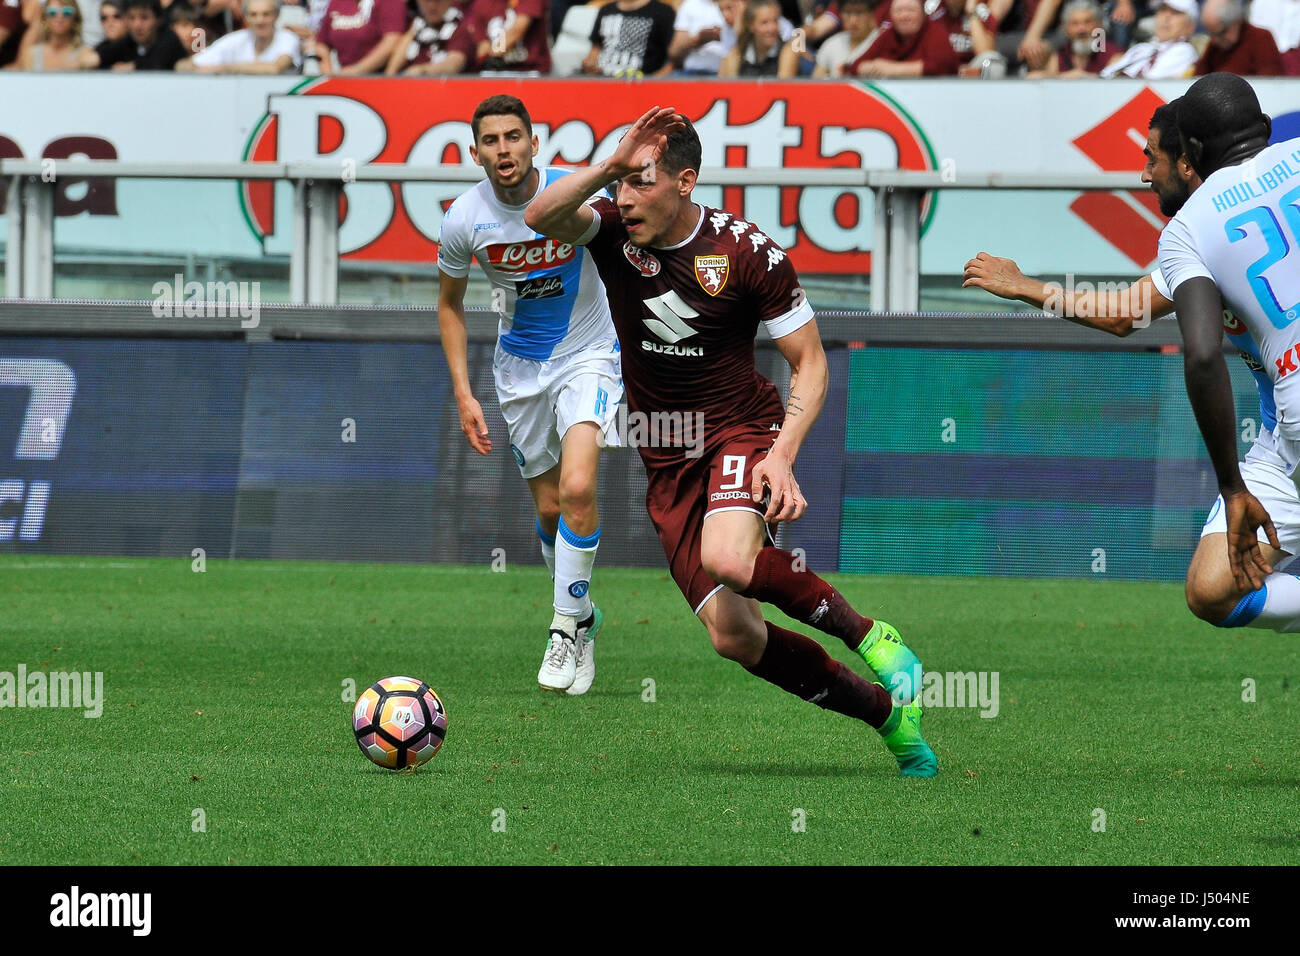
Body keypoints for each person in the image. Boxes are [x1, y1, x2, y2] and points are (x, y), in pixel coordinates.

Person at [525, 107, 936, 776]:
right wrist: (608, 165)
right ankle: (888, 719)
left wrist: (781, 454)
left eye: (642, 182)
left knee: (729, 559)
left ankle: (871, 635)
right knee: (735, 637)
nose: (625, 198)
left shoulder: (747, 253)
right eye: (621, 182)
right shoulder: (607, 229)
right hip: (667, 456)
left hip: (741, 429)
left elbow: (810, 361)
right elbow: (540, 217)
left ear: (685, 182)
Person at [436, 95, 621, 696]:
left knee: (578, 488)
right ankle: (584, 614)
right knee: (548, 510)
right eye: (491, 141)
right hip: (519, 369)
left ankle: (563, 625)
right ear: (476, 153)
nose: (504, 149)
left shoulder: (578, 192)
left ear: (535, 142)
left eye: (514, 137)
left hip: (589, 352)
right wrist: (464, 393)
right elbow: (449, 307)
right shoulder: (465, 220)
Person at [1158, 74, 1300, 634]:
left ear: (1190, 154)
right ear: (1264, 129)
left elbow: (1200, 355)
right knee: (1213, 587)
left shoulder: (1187, 231)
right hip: (1286, 440)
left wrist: (1230, 486)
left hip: (1292, 417)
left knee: (1220, 593)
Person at [177, 0, 299, 70]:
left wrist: (223, 69)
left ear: (276, 16)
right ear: (245, 17)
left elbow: (275, 68)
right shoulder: (237, 38)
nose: (259, 20)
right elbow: (184, 65)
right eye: (253, 15)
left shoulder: (287, 38)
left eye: (266, 14)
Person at [851, 0, 962, 75]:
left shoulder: (935, 31)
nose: (904, 16)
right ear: (891, 16)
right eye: (899, 11)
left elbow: (943, 65)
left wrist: (893, 69)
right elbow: (856, 66)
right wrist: (868, 68)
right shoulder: (889, 34)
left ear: (922, 15)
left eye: (911, 10)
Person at [442, 0, 551, 74]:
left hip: (531, 71)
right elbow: (482, 46)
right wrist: (488, 55)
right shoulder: (482, 3)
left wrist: (494, 53)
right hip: (496, 72)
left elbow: (517, 31)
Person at [1099, 0, 1198, 77]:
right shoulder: (1141, 48)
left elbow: (1151, 84)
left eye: (1175, 13)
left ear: (1190, 26)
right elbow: (1104, 77)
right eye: (1162, 10)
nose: (1166, 17)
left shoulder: (1183, 50)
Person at [308, 0, 406, 74]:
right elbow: (322, 42)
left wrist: (357, 70)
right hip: (343, 78)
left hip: (379, 76)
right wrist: (328, 74)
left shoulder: (389, 2)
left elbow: (393, 41)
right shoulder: (337, 2)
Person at [1027, 0, 1122, 75]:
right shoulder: (1059, 55)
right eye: (1075, 24)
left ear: (1099, 25)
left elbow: (1114, 81)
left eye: (1087, 22)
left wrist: (1084, 77)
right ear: (1066, 28)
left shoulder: (1112, 54)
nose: (1081, 29)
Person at [583, 0, 675, 76]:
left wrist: (655, 81)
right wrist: (590, 66)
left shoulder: (663, 12)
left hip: (640, 82)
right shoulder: (606, 10)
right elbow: (596, 47)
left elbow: (674, 59)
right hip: (601, 79)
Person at [86, 0, 186, 68]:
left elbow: (158, 64)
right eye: (132, 18)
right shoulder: (128, 42)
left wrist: (133, 67)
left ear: (158, 19)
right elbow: (95, 58)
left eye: (144, 18)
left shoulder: (169, 40)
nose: (137, 25)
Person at [1196, 0, 1284, 75]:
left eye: (1220, 33)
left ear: (1235, 23)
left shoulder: (1261, 39)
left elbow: (1271, 83)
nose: (1215, 40)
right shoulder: (1214, 47)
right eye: (1211, 34)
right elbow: (1198, 78)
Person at [384, 0, 460, 74]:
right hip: (409, 81)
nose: (432, 6)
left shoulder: (458, 25)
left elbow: (453, 65)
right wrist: (389, 78)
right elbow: (393, 67)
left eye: (437, 1)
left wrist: (422, 70)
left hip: (437, 82)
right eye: (427, 1)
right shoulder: (418, 23)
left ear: (449, 1)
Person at [809, 0, 881, 75]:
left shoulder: (882, 41)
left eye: (859, 13)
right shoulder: (832, 43)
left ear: (872, 13)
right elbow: (815, 82)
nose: (853, 20)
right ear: (840, 14)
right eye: (847, 13)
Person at [719, 0, 791, 74]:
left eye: (775, 21)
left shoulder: (787, 53)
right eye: (764, 23)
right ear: (751, 26)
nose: (772, 28)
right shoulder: (737, 55)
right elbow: (724, 82)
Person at [17, 1, 92, 68]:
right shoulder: (31, 54)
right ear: (44, 19)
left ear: (75, 19)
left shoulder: (85, 54)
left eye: (67, 12)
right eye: (52, 12)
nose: (59, 17)